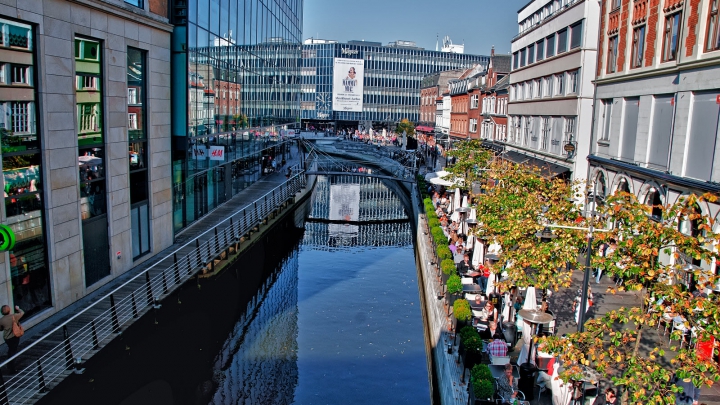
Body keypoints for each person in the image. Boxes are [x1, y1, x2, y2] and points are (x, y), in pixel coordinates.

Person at [0, 305, 24, 373]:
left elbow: (1, 329)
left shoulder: (1, 320)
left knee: (10, 350)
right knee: (13, 351)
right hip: (14, 336)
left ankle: (9, 364)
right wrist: (18, 309)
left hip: (7, 338)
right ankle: (12, 368)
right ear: (9, 310)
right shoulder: (14, 316)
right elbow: (22, 312)